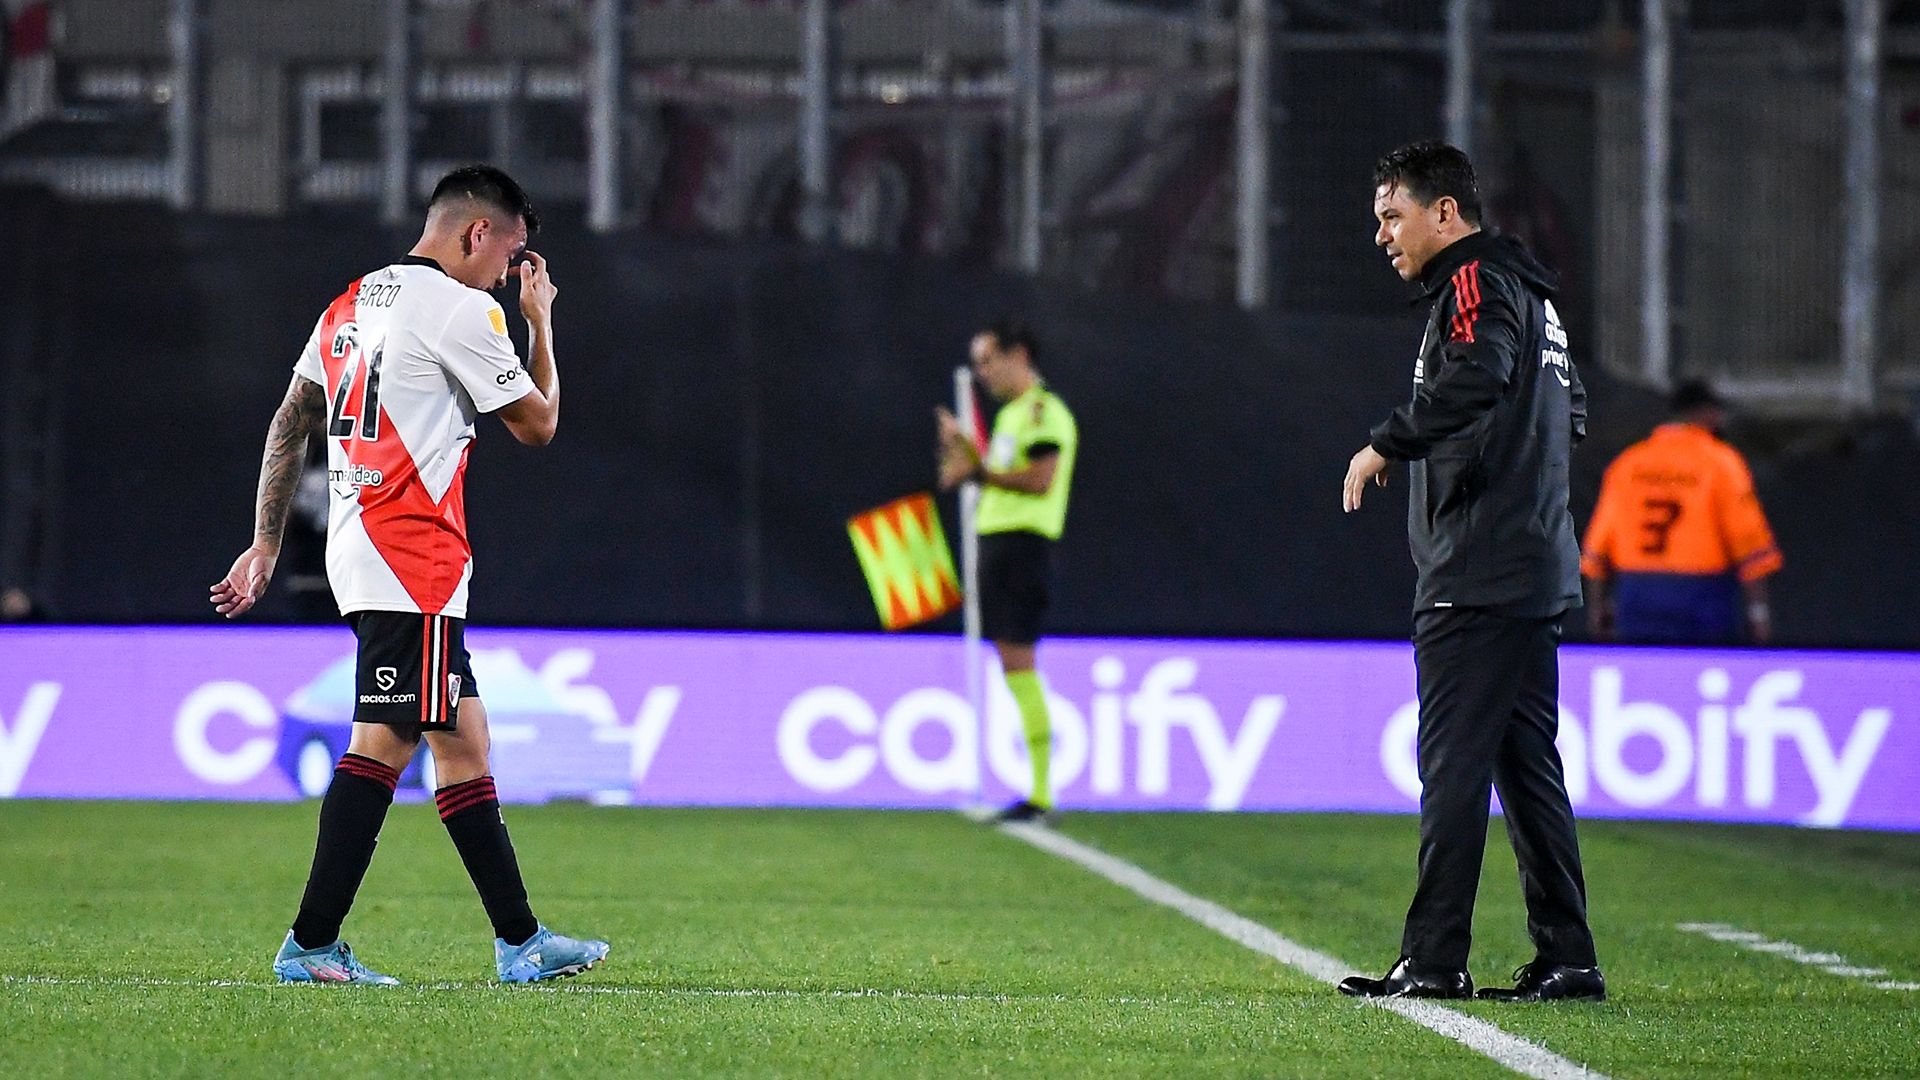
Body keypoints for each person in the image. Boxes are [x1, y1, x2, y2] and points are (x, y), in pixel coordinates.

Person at [210, 165, 609, 986]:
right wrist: (538, 322)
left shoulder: (350, 302)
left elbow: (292, 420)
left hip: (367, 547)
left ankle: (519, 941)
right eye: (511, 253)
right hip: (411, 555)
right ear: (476, 234)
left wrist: (265, 542)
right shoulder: (464, 310)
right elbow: (539, 423)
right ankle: (315, 944)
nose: (510, 272)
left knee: (459, 737)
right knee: (386, 745)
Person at [1337, 141, 1604, 1003]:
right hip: (1530, 560)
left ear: (1443, 213)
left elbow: (1480, 375)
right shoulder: (1533, 293)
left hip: (1479, 570)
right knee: (1528, 768)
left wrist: (1389, 442)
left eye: (1392, 214)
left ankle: (1436, 959)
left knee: (1452, 763)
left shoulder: (1473, 282)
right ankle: (1568, 956)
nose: (1381, 234)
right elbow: (1571, 411)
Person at [936, 319, 1079, 823]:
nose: (983, 373)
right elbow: (992, 476)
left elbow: (1040, 480)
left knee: (1021, 665)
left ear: (1018, 354)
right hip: (999, 547)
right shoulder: (1011, 417)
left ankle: (1041, 793)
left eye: (988, 360)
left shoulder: (1042, 411)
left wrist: (977, 471)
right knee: (1012, 665)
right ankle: (1037, 790)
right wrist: (965, 457)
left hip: (1023, 546)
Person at [1581, 379, 1783, 645]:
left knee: (1643, 679)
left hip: (1637, 594)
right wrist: (1758, 614)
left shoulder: (1629, 463)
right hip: (1701, 596)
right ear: (1707, 413)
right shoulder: (1721, 462)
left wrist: (1598, 608)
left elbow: (1597, 551)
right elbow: (1752, 548)